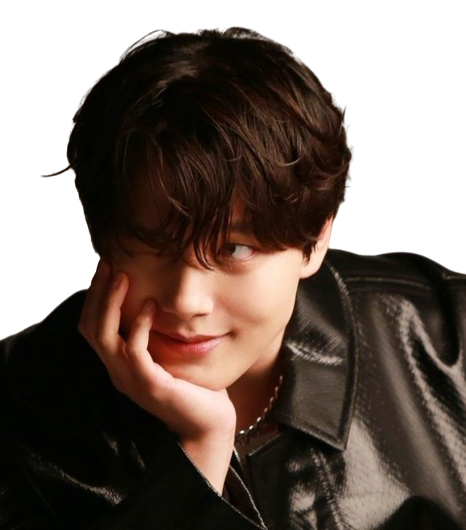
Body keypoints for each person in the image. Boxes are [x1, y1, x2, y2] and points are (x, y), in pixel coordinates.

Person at [1, 27, 465, 530]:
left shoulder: (449, 337)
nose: (186, 300)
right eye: (151, 244)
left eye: (234, 249)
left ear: (316, 240)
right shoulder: (17, 402)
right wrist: (201, 449)